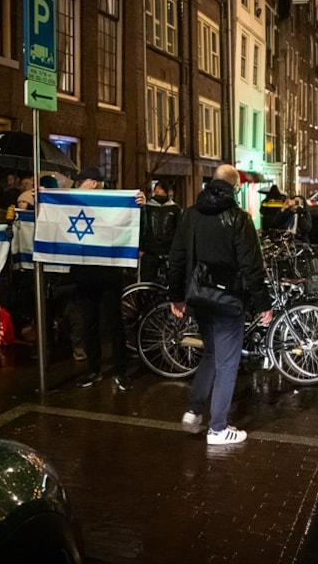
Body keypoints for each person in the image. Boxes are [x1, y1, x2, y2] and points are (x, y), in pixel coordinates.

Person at [168, 164, 274, 446]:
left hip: (199, 296)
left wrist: (176, 296)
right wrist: (263, 303)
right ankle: (218, 428)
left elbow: (177, 257)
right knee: (228, 363)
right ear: (235, 188)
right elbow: (252, 266)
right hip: (229, 300)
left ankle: (193, 411)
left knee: (211, 355)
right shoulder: (239, 219)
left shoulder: (190, 215)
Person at [73, 168, 145, 391]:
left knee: (114, 324)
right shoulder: (76, 201)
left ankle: (120, 371)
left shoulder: (118, 203)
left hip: (109, 272)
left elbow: (134, 229)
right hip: (84, 272)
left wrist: (142, 208)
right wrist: (43, 201)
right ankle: (94, 370)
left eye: (80, 182)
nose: (76, 186)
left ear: (93, 183)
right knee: (89, 323)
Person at [139, 180, 183, 283]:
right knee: (147, 280)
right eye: (156, 188)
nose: (158, 190)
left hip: (168, 251)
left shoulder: (175, 209)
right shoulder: (147, 208)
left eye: (161, 188)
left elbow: (179, 230)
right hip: (149, 251)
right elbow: (142, 227)